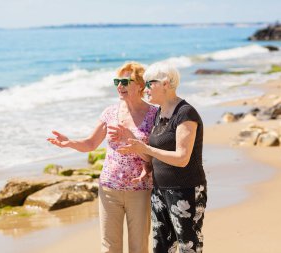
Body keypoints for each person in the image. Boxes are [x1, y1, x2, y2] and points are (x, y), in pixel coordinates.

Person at [47, 62, 158, 253]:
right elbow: (90, 144)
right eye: (117, 81)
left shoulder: (154, 114)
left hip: (140, 190)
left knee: (139, 247)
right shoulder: (110, 112)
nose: (119, 86)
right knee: (109, 248)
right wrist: (70, 142)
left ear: (140, 84)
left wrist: (130, 139)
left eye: (125, 81)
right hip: (109, 189)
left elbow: (154, 156)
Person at [116, 63, 207, 253]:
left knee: (188, 246)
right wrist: (146, 165)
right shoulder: (159, 112)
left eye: (150, 84)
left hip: (185, 190)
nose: (145, 88)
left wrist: (147, 148)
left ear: (166, 84)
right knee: (161, 247)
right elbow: (158, 150)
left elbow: (182, 158)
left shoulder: (185, 113)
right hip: (159, 190)